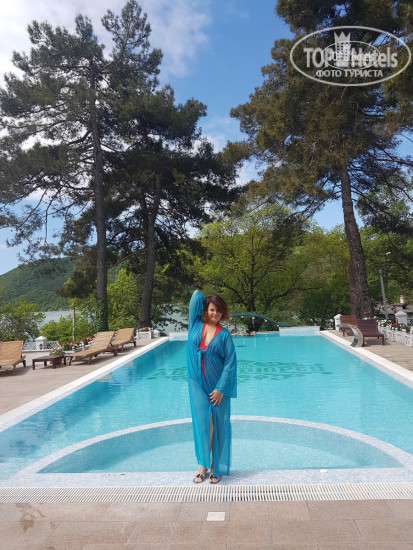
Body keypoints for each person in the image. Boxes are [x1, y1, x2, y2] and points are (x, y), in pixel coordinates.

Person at [187, 290, 237, 484]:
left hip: (217, 386)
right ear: (205, 310)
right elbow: (195, 296)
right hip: (197, 383)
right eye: (212, 309)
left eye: (219, 310)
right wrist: (208, 299)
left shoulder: (224, 335)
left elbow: (230, 363)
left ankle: (216, 465)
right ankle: (203, 465)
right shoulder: (195, 325)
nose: (216, 313)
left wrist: (221, 389)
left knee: (218, 424)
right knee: (203, 425)